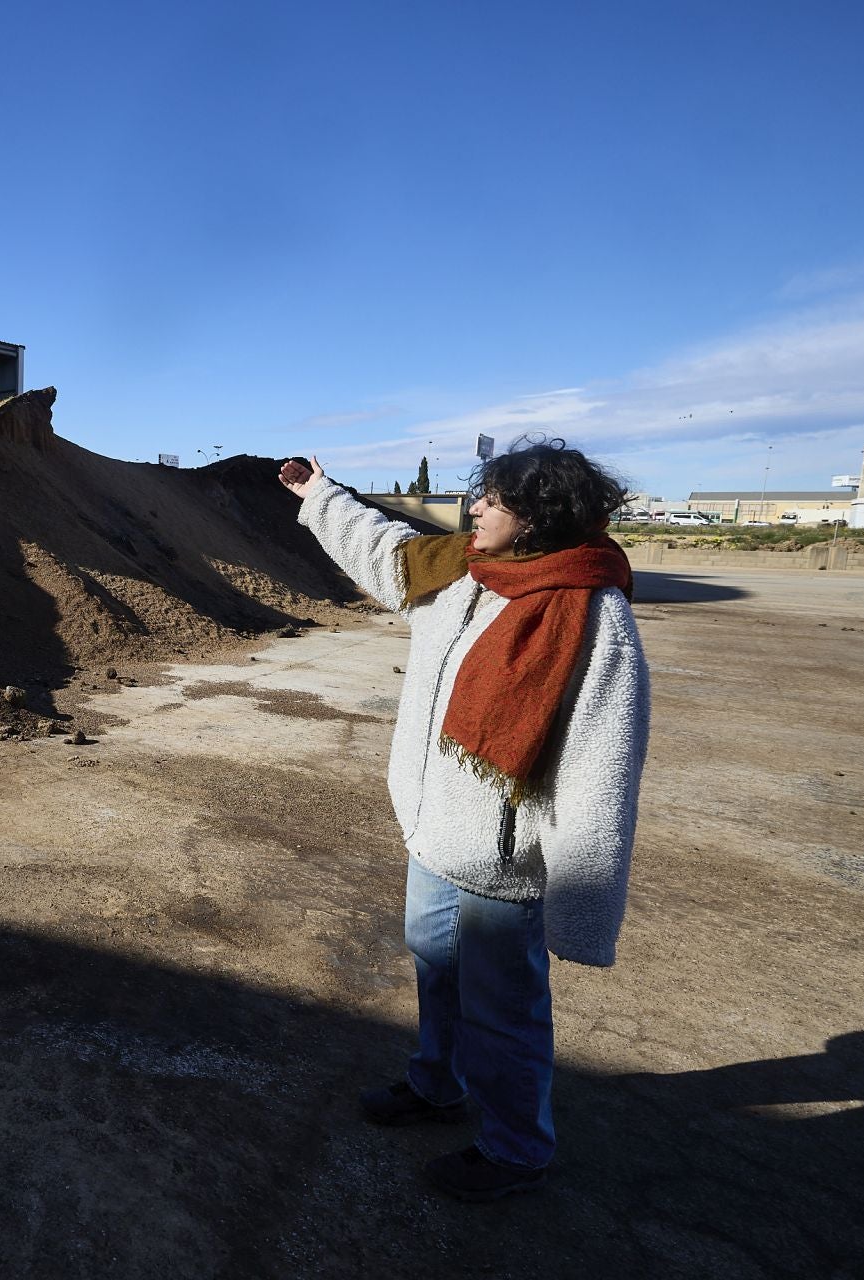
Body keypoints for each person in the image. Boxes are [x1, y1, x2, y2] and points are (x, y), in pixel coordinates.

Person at [278, 438, 649, 1202]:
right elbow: (387, 551)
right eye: (477, 494)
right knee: (433, 969)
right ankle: (436, 1084)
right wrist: (322, 494)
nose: (472, 507)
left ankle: (517, 1152)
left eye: (493, 499)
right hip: (435, 833)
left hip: (505, 865)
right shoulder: (464, 572)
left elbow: (602, 769)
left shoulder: (591, 611)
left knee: (504, 1012)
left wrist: (582, 912)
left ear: (539, 515)